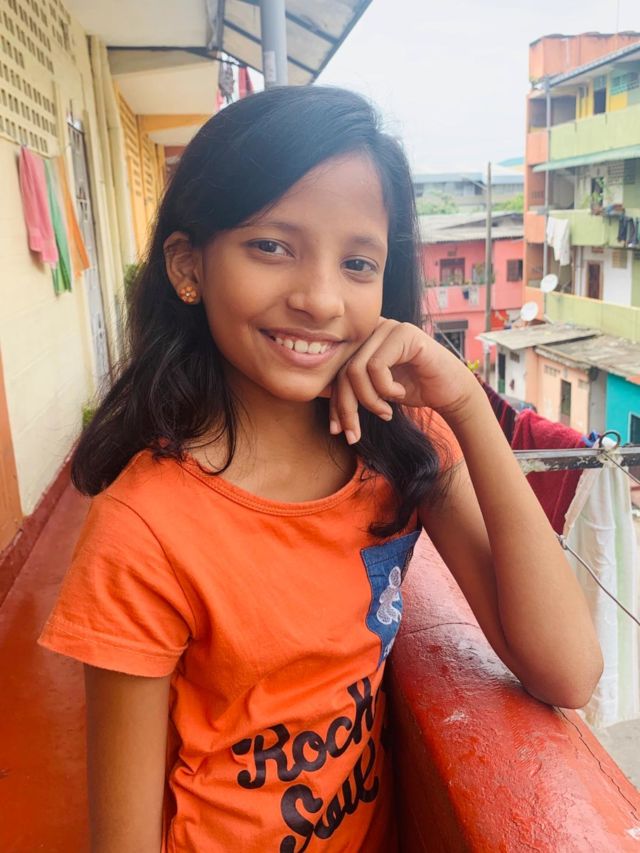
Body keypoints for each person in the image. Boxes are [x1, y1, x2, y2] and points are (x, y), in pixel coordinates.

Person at [38, 86, 602, 853]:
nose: (319, 299)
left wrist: (468, 402)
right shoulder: (142, 531)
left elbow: (568, 670)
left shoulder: (402, 447)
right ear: (188, 264)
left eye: (358, 262)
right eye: (272, 246)